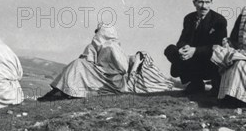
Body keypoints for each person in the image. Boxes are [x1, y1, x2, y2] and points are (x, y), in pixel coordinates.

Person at [38, 23, 173, 101]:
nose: (96, 33)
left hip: (112, 79)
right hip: (103, 75)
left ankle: (61, 91)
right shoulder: (101, 45)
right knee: (78, 65)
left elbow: (123, 67)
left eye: (98, 31)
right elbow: (89, 58)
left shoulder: (111, 46)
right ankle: (62, 91)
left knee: (78, 65)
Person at [164, 0, 228, 94]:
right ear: (194, 3)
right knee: (170, 49)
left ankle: (215, 85)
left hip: (208, 61)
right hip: (191, 59)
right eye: (200, 2)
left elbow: (219, 47)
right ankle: (196, 83)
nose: (204, 6)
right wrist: (183, 49)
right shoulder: (188, 18)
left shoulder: (219, 20)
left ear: (212, 2)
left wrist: (195, 50)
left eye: (207, 2)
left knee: (217, 53)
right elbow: (181, 40)